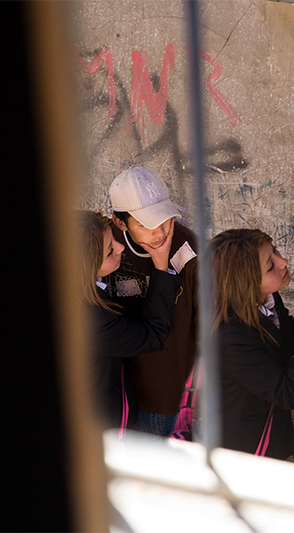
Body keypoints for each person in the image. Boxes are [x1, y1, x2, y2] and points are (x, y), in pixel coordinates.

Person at [213, 228, 294, 459]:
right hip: (246, 451)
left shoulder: (267, 296)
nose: (283, 261)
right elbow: (288, 394)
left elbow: (287, 340)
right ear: (247, 282)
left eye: (274, 250)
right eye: (270, 266)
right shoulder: (230, 338)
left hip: (275, 435)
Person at [102, 166, 199, 437]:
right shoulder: (106, 245)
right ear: (121, 223)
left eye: (164, 219)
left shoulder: (185, 248)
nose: (158, 233)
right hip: (113, 394)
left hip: (161, 394)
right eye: (145, 224)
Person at [78, 211, 181, 435]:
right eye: (109, 251)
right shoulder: (91, 322)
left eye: (114, 239)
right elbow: (153, 335)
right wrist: (161, 267)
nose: (121, 247)